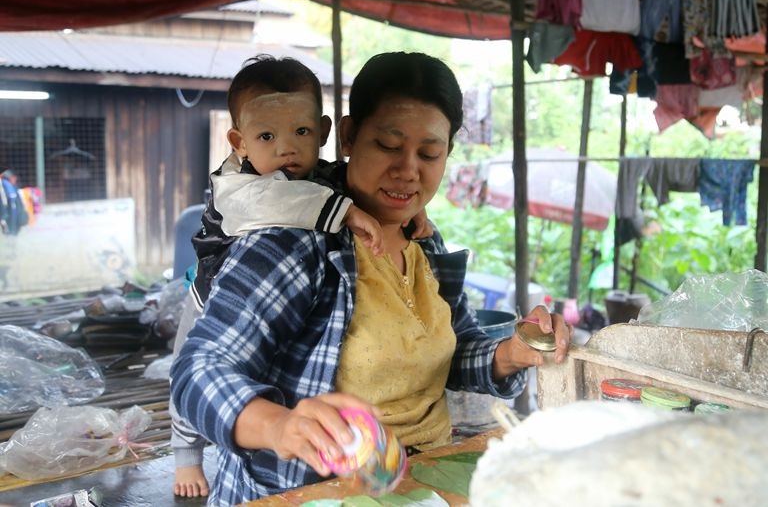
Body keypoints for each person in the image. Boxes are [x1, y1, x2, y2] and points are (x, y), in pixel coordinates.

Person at [170, 51, 571, 506]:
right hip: (312, 492)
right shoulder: (294, 239)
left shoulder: (424, 241)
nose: (408, 170)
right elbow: (197, 373)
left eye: (430, 153)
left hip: (423, 482)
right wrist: (279, 426)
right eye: (387, 145)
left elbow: (452, 354)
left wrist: (512, 353)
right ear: (346, 136)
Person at [170, 54, 430, 498]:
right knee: (190, 375)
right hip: (210, 295)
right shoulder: (236, 185)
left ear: (324, 132)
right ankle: (185, 456)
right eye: (267, 135)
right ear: (239, 142)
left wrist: (406, 207)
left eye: (302, 132)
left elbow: (342, 182)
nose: (286, 148)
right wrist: (346, 212)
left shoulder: (318, 176)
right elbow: (282, 203)